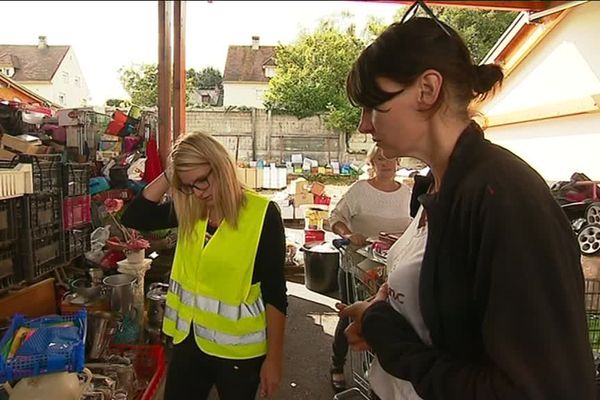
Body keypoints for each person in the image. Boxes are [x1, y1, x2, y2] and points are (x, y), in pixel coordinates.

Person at [338, 2, 596, 400]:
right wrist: (382, 311)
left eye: (375, 105)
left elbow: (532, 388)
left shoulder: (503, 197)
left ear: (427, 89)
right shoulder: (439, 188)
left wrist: (384, 332)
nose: (364, 125)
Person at [121, 132, 287, 400]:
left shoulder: (262, 214)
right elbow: (136, 216)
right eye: (190, 185)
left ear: (220, 165)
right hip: (188, 343)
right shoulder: (191, 208)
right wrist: (170, 173)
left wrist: (274, 360)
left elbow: (276, 293)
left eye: (203, 179)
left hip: (238, 353)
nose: (201, 191)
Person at [328, 144, 412, 392]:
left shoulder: (408, 194)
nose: (385, 163)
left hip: (389, 271)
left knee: (386, 320)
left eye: (391, 158)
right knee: (351, 315)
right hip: (357, 267)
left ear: (398, 163)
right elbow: (336, 217)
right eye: (379, 159)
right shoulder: (360, 190)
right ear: (371, 163)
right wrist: (349, 233)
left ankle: (376, 367)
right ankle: (337, 363)